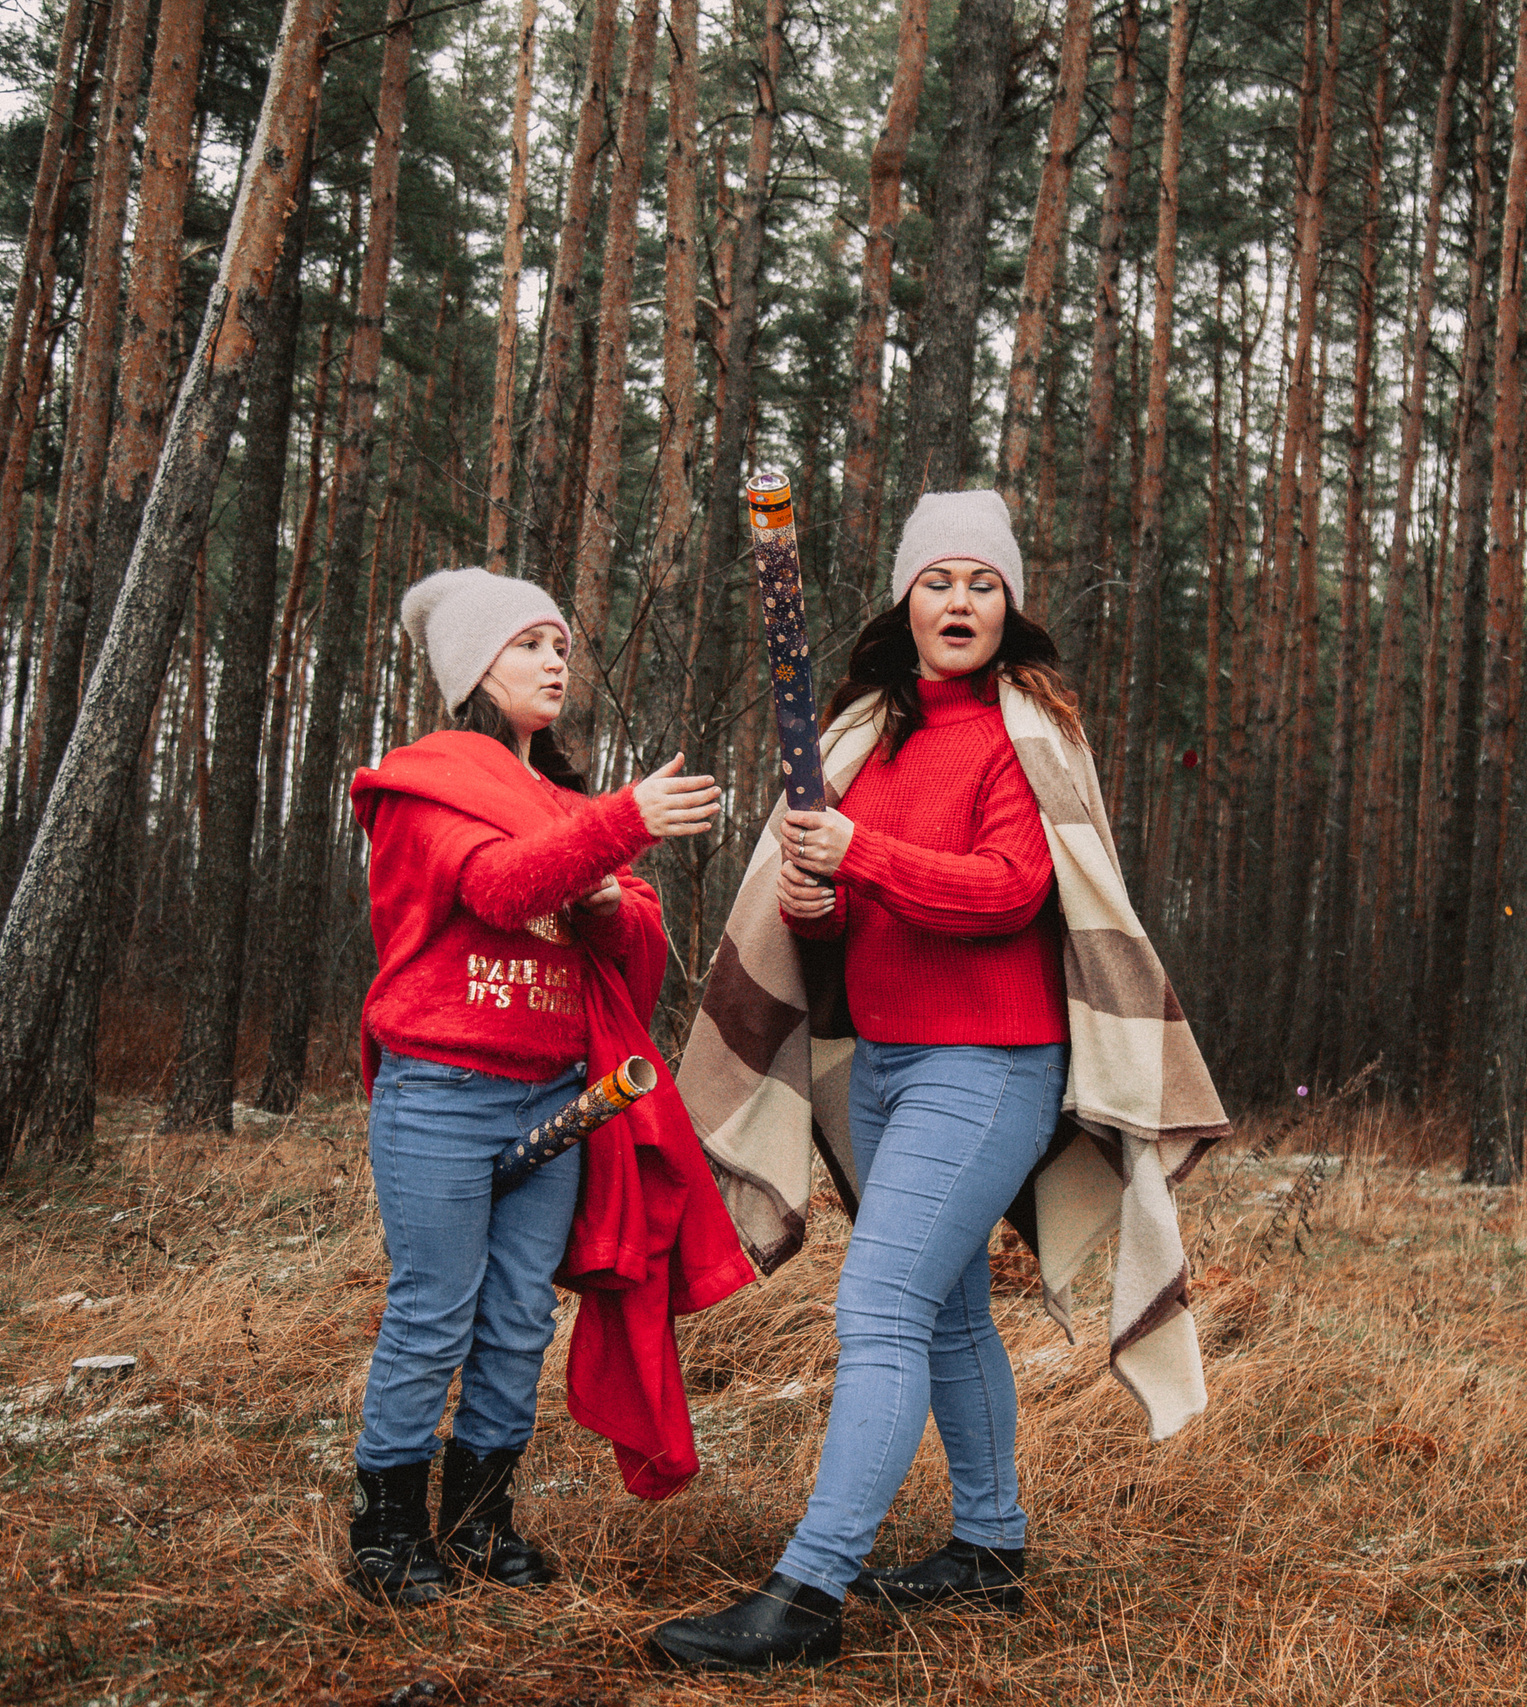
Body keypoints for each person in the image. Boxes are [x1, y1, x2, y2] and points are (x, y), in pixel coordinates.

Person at [653, 491, 1089, 1669]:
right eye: (939, 580)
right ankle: (990, 1547)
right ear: (906, 599)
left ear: (1009, 608)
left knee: (881, 1309)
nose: (960, 600)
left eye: (983, 584)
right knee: (943, 1310)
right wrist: (820, 901)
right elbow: (856, 911)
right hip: (886, 1064)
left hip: (990, 1062)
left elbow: (1009, 890)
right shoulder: (865, 733)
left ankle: (807, 1595)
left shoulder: (1025, 731)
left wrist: (866, 857)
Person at [340, 567, 730, 1607]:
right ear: (473, 668)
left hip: (557, 1096)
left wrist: (603, 892)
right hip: (441, 1089)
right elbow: (499, 890)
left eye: (561, 645)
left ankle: (477, 1522)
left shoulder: (566, 802)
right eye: (528, 645)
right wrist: (621, 825)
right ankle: (385, 1532)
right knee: (434, 1311)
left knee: (516, 1317)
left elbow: (635, 945)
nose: (556, 662)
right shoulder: (421, 785)